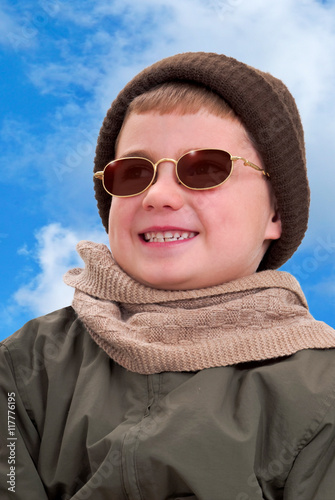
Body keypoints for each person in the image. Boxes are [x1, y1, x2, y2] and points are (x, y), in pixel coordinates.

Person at [1, 51, 335, 500]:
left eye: (205, 168)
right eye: (133, 173)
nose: (158, 195)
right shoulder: (25, 366)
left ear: (276, 211)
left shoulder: (323, 389)